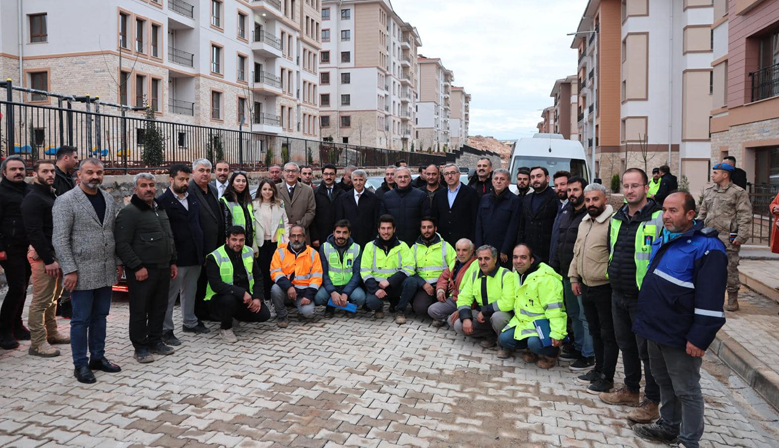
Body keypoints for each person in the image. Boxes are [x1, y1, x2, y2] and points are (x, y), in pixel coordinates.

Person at [632, 192, 728, 448]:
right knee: (664, 381)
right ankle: (669, 426)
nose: (666, 215)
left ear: (690, 214)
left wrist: (699, 337)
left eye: (673, 211)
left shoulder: (708, 247)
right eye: (665, 210)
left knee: (686, 390)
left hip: (680, 335)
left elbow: (711, 301)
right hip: (656, 330)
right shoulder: (670, 238)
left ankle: (688, 441)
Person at [601, 168, 663, 424]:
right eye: (626, 186)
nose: (629, 190)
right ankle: (630, 390)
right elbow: (612, 249)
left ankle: (651, 402)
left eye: (635, 185)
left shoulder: (658, 218)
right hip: (619, 292)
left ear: (646, 188)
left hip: (644, 297)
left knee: (646, 351)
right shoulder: (618, 217)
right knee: (625, 344)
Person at [52, 158, 122, 384]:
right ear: (79, 175)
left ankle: (98, 358)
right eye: (89, 172)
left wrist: (118, 261)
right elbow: (60, 239)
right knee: (80, 320)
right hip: (80, 272)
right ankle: (80, 364)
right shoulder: (66, 201)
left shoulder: (109, 199)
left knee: (100, 316)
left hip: (105, 269)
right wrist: (70, 269)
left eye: (99, 173)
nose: (95, 177)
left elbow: (113, 233)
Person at [115, 173, 177, 363]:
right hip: (143, 271)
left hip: (163, 268)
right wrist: (137, 266)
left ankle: (155, 341)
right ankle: (140, 347)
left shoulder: (160, 209)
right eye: (144, 185)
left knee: (159, 308)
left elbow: (169, 237)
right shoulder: (129, 213)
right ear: (136, 189)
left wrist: (173, 261)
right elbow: (122, 244)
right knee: (140, 310)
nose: (149, 189)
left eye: (151, 185)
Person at [569, 183, 617, 393]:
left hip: (604, 287)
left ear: (605, 200)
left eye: (595, 199)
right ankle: (597, 370)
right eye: (588, 200)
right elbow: (576, 252)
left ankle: (607, 377)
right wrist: (574, 277)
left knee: (608, 334)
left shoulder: (612, 223)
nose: (591, 204)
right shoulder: (584, 222)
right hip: (585, 285)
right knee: (595, 332)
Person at [22, 160, 69, 357]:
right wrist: (48, 260)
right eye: (45, 171)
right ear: (35, 175)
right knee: (41, 301)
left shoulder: (50, 194)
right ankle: (37, 343)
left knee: (54, 298)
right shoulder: (33, 198)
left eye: (52, 171)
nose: (50, 174)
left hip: (54, 254)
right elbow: (34, 232)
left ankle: (52, 333)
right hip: (44, 256)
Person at [158, 165, 208, 343]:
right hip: (176, 258)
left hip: (195, 255)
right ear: (171, 179)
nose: (185, 182)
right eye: (181, 179)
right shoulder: (162, 202)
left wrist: (201, 252)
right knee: (170, 296)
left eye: (187, 179)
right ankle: (165, 329)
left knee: (190, 291)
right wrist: (171, 258)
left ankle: (189, 322)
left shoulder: (192, 199)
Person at [497, 244, 567, 369]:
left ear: (532, 260)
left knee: (534, 343)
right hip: (525, 323)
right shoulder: (517, 274)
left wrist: (557, 334)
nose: (518, 261)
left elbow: (554, 309)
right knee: (504, 339)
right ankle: (533, 350)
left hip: (544, 325)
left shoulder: (546, 280)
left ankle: (552, 354)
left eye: (523, 257)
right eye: (515, 257)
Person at [550, 176, 594, 372]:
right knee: (573, 314)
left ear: (584, 191)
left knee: (585, 316)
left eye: (575, 190)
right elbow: (559, 240)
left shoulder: (589, 214)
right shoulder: (566, 211)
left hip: (582, 275)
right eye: (569, 191)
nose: (571, 194)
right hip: (566, 271)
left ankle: (588, 354)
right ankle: (577, 347)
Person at [697, 162, 752, 311]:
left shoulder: (738, 192)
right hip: (708, 238)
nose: (712, 175)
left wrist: (741, 236)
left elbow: (745, 216)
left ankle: (732, 299)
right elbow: (702, 214)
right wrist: (696, 230)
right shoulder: (709, 192)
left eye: (715, 173)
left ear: (725, 175)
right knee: (708, 269)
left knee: (730, 269)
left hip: (728, 238)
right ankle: (712, 298)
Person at [204, 226, 270, 342]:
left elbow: (258, 276)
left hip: (245, 298)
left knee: (264, 314)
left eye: (241, 240)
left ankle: (234, 316)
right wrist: (241, 292)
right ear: (227, 240)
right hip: (219, 298)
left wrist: (258, 298)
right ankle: (226, 328)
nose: (238, 243)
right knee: (229, 300)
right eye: (234, 239)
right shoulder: (214, 257)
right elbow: (216, 285)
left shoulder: (248, 252)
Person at [453, 245, 516, 355]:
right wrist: (466, 317)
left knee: (498, 317)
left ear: (495, 259)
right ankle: (490, 335)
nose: (482, 262)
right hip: (484, 315)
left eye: (486, 258)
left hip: (503, 314)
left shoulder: (507, 275)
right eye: (480, 259)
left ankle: (505, 345)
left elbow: (508, 302)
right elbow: (464, 298)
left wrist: (485, 311)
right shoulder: (474, 275)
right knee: (459, 324)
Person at [396, 217, 455, 324]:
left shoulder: (446, 246)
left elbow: (454, 266)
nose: (426, 230)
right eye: (424, 227)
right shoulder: (414, 248)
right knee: (420, 309)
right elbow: (409, 270)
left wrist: (450, 281)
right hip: (424, 286)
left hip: (442, 285)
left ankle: (440, 316)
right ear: (420, 229)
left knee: (449, 300)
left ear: (435, 228)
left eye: (429, 227)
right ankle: (434, 309)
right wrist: (423, 283)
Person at [0, 156, 32, 350]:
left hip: (27, 246)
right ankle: (3, 330)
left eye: (21, 169)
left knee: (23, 287)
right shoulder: (1, 192)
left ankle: (16, 325)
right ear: (4, 172)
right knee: (16, 288)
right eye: (13, 169)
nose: (18, 172)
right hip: (10, 248)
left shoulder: (29, 190)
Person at [189, 159, 225, 321]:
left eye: (207, 170)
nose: (205, 173)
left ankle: (209, 310)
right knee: (199, 283)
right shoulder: (189, 191)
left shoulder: (212, 190)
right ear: (193, 172)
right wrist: (201, 250)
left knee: (212, 281)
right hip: (200, 249)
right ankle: (197, 315)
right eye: (201, 170)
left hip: (216, 246)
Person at [360, 215, 414, 318]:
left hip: (395, 285)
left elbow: (409, 268)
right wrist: (376, 290)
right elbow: (365, 272)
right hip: (377, 286)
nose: (386, 232)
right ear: (378, 230)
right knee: (372, 303)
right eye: (383, 228)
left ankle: (400, 309)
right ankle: (379, 306)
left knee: (411, 282)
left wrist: (390, 281)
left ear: (394, 229)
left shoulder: (403, 246)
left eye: (389, 228)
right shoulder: (370, 247)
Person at [269, 225, 323, 327]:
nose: (296, 239)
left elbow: (317, 277)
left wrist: (308, 296)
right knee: (275, 289)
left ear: (304, 237)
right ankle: (282, 315)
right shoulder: (280, 251)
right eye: (293, 236)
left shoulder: (313, 253)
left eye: (299, 236)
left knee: (309, 313)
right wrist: (289, 287)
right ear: (289, 238)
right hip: (286, 291)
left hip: (303, 293)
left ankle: (300, 311)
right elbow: (275, 272)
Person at [252, 179, 289, 312]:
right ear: (260, 190)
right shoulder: (253, 205)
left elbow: (285, 223)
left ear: (274, 191)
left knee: (275, 273)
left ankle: (275, 302)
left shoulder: (279, 204)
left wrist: (286, 242)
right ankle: (265, 300)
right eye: (265, 189)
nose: (267, 192)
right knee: (263, 275)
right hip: (260, 245)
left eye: (270, 189)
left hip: (276, 245)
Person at [314, 219, 366, 317]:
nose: (341, 236)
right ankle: (331, 306)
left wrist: (346, 293)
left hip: (349, 285)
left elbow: (357, 274)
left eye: (344, 232)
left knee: (360, 298)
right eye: (338, 232)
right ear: (333, 232)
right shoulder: (325, 247)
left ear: (349, 233)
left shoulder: (356, 248)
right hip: (331, 286)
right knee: (318, 298)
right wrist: (332, 291)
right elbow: (323, 273)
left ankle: (347, 304)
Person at [474, 169, 520, 268]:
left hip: (502, 252)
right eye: (496, 179)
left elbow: (513, 228)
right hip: (484, 250)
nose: (498, 181)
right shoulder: (485, 199)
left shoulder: (514, 201)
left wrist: (505, 250)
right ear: (492, 181)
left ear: (508, 182)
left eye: (502, 179)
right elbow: (479, 225)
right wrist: (478, 248)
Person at [53, 146, 79, 318]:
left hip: (70, 228)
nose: (77, 161)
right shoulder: (55, 178)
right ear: (66, 158)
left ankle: (64, 304)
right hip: (59, 230)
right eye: (75, 157)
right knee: (62, 272)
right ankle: (59, 305)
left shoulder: (68, 177)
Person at [428, 238, 477, 328]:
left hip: (468, 303)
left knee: (453, 322)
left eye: (464, 250)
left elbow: (475, 294)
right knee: (432, 310)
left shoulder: (476, 265)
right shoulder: (456, 261)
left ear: (471, 251)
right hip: (454, 299)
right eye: (458, 250)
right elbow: (444, 276)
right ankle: (449, 318)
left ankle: (452, 319)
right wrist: (440, 290)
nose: (460, 253)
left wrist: (462, 309)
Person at [516, 166, 558, 264]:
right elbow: (522, 226)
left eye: (539, 176)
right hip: (528, 252)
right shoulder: (527, 199)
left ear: (547, 178)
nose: (535, 179)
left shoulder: (555, 198)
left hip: (547, 252)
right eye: (533, 177)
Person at [431, 163, 479, 247]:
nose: (450, 176)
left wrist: (473, 240)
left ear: (459, 174)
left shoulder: (471, 193)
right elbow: (435, 217)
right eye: (446, 174)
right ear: (443, 177)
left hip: (464, 242)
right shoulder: (439, 195)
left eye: (452, 173)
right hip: (443, 242)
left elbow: (475, 218)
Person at [335, 169, 384, 247]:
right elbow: (340, 219)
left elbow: (376, 220)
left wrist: (374, 238)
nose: (358, 183)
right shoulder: (343, 198)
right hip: (349, 240)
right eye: (355, 180)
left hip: (368, 241)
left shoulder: (374, 198)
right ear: (351, 180)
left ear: (365, 181)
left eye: (361, 180)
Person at [383, 167, 430, 245]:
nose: (403, 179)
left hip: (416, 242)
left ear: (410, 179)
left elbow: (426, 218)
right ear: (395, 179)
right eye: (400, 177)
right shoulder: (386, 197)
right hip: (393, 242)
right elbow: (383, 220)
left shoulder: (421, 195)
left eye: (405, 176)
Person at [276, 162, 316, 239]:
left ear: (298, 174)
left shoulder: (308, 190)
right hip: (281, 234)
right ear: (283, 173)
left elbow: (311, 211)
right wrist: (285, 225)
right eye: (287, 171)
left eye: (293, 171)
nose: (290, 174)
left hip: (302, 234)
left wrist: (297, 225)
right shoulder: (275, 189)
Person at [311, 164, 345, 249]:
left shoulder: (342, 193)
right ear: (322, 175)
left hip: (338, 236)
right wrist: (314, 237)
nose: (328, 177)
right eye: (326, 174)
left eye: (331, 174)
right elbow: (312, 215)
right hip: (320, 236)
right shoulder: (315, 193)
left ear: (335, 176)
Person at [220, 171, 255, 247]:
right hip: (234, 243)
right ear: (232, 183)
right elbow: (226, 225)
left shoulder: (248, 200)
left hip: (248, 241)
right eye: (238, 181)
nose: (241, 183)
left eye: (243, 181)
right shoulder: (226, 200)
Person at [547, 170, 571, 267]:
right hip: (554, 260)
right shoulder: (555, 205)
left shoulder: (574, 208)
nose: (559, 188)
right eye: (556, 185)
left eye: (562, 184)